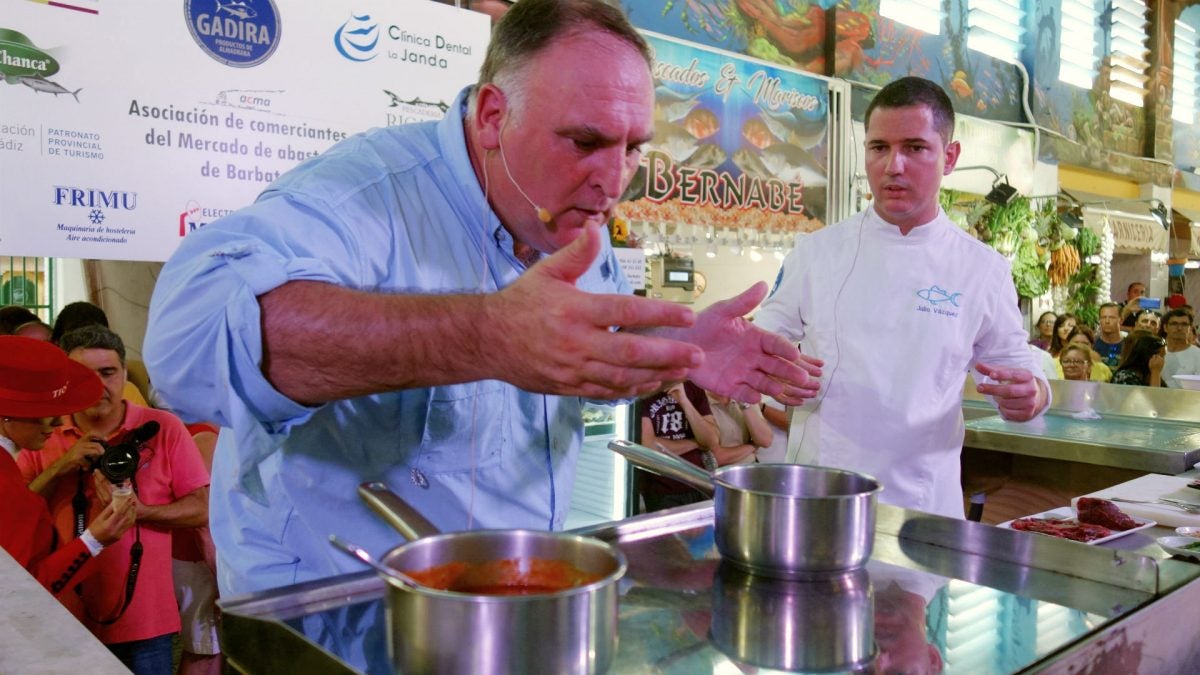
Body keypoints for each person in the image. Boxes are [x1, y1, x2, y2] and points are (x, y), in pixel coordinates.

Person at [144, 0, 817, 595]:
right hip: (335, 613)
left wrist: (656, 352)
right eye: (584, 141)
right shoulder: (364, 195)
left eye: (634, 149)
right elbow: (188, 344)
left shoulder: (578, 223)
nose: (613, 181)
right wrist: (484, 335)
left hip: (509, 597)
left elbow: (576, 368)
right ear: (494, 114)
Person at [755, 76, 1048, 519]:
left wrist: (1033, 396)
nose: (893, 166)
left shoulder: (981, 270)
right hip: (821, 501)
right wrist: (770, 372)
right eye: (878, 148)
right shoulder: (817, 252)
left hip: (923, 509)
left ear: (949, 157)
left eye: (914, 148)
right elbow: (763, 342)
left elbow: (1018, 371)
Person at [17, 325, 210, 674]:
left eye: (108, 373)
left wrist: (139, 513)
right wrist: (61, 467)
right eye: (83, 374)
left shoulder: (162, 428)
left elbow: (202, 509)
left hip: (147, 623)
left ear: (124, 374)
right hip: (62, 619)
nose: (98, 385)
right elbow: (15, 514)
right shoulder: (42, 431)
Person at [0, 336, 136, 603]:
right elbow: (23, 591)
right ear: (6, 415)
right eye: (43, 410)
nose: (55, 421)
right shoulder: (10, 490)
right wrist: (94, 540)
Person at [637, 381, 720, 512]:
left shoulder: (694, 388)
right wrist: (695, 443)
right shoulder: (643, 391)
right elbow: (648, 446)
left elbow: (711, 441)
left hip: (700, 484)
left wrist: (684, 401)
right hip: (662, 489)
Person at [706, 390, 774, 465]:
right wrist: (753, 446)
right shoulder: (700, 398)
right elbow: (716, 458)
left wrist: (744, 404)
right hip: (720, 472)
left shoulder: (744, 395)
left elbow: (765, 441)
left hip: (750, 467)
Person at [1162, 308, 1200, 387]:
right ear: (1165, 327)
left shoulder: (1197, 355)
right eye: (1174, 324)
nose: (1179, 328)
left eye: (1184, 324)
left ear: (1190, 328)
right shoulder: (1157, 352)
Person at [1093, 302, 1125, 368]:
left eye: (1112, 317)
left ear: (1121, 320)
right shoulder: (1092, 344)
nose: (1107, 321)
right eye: (1103, 317)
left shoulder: (1129, 345)